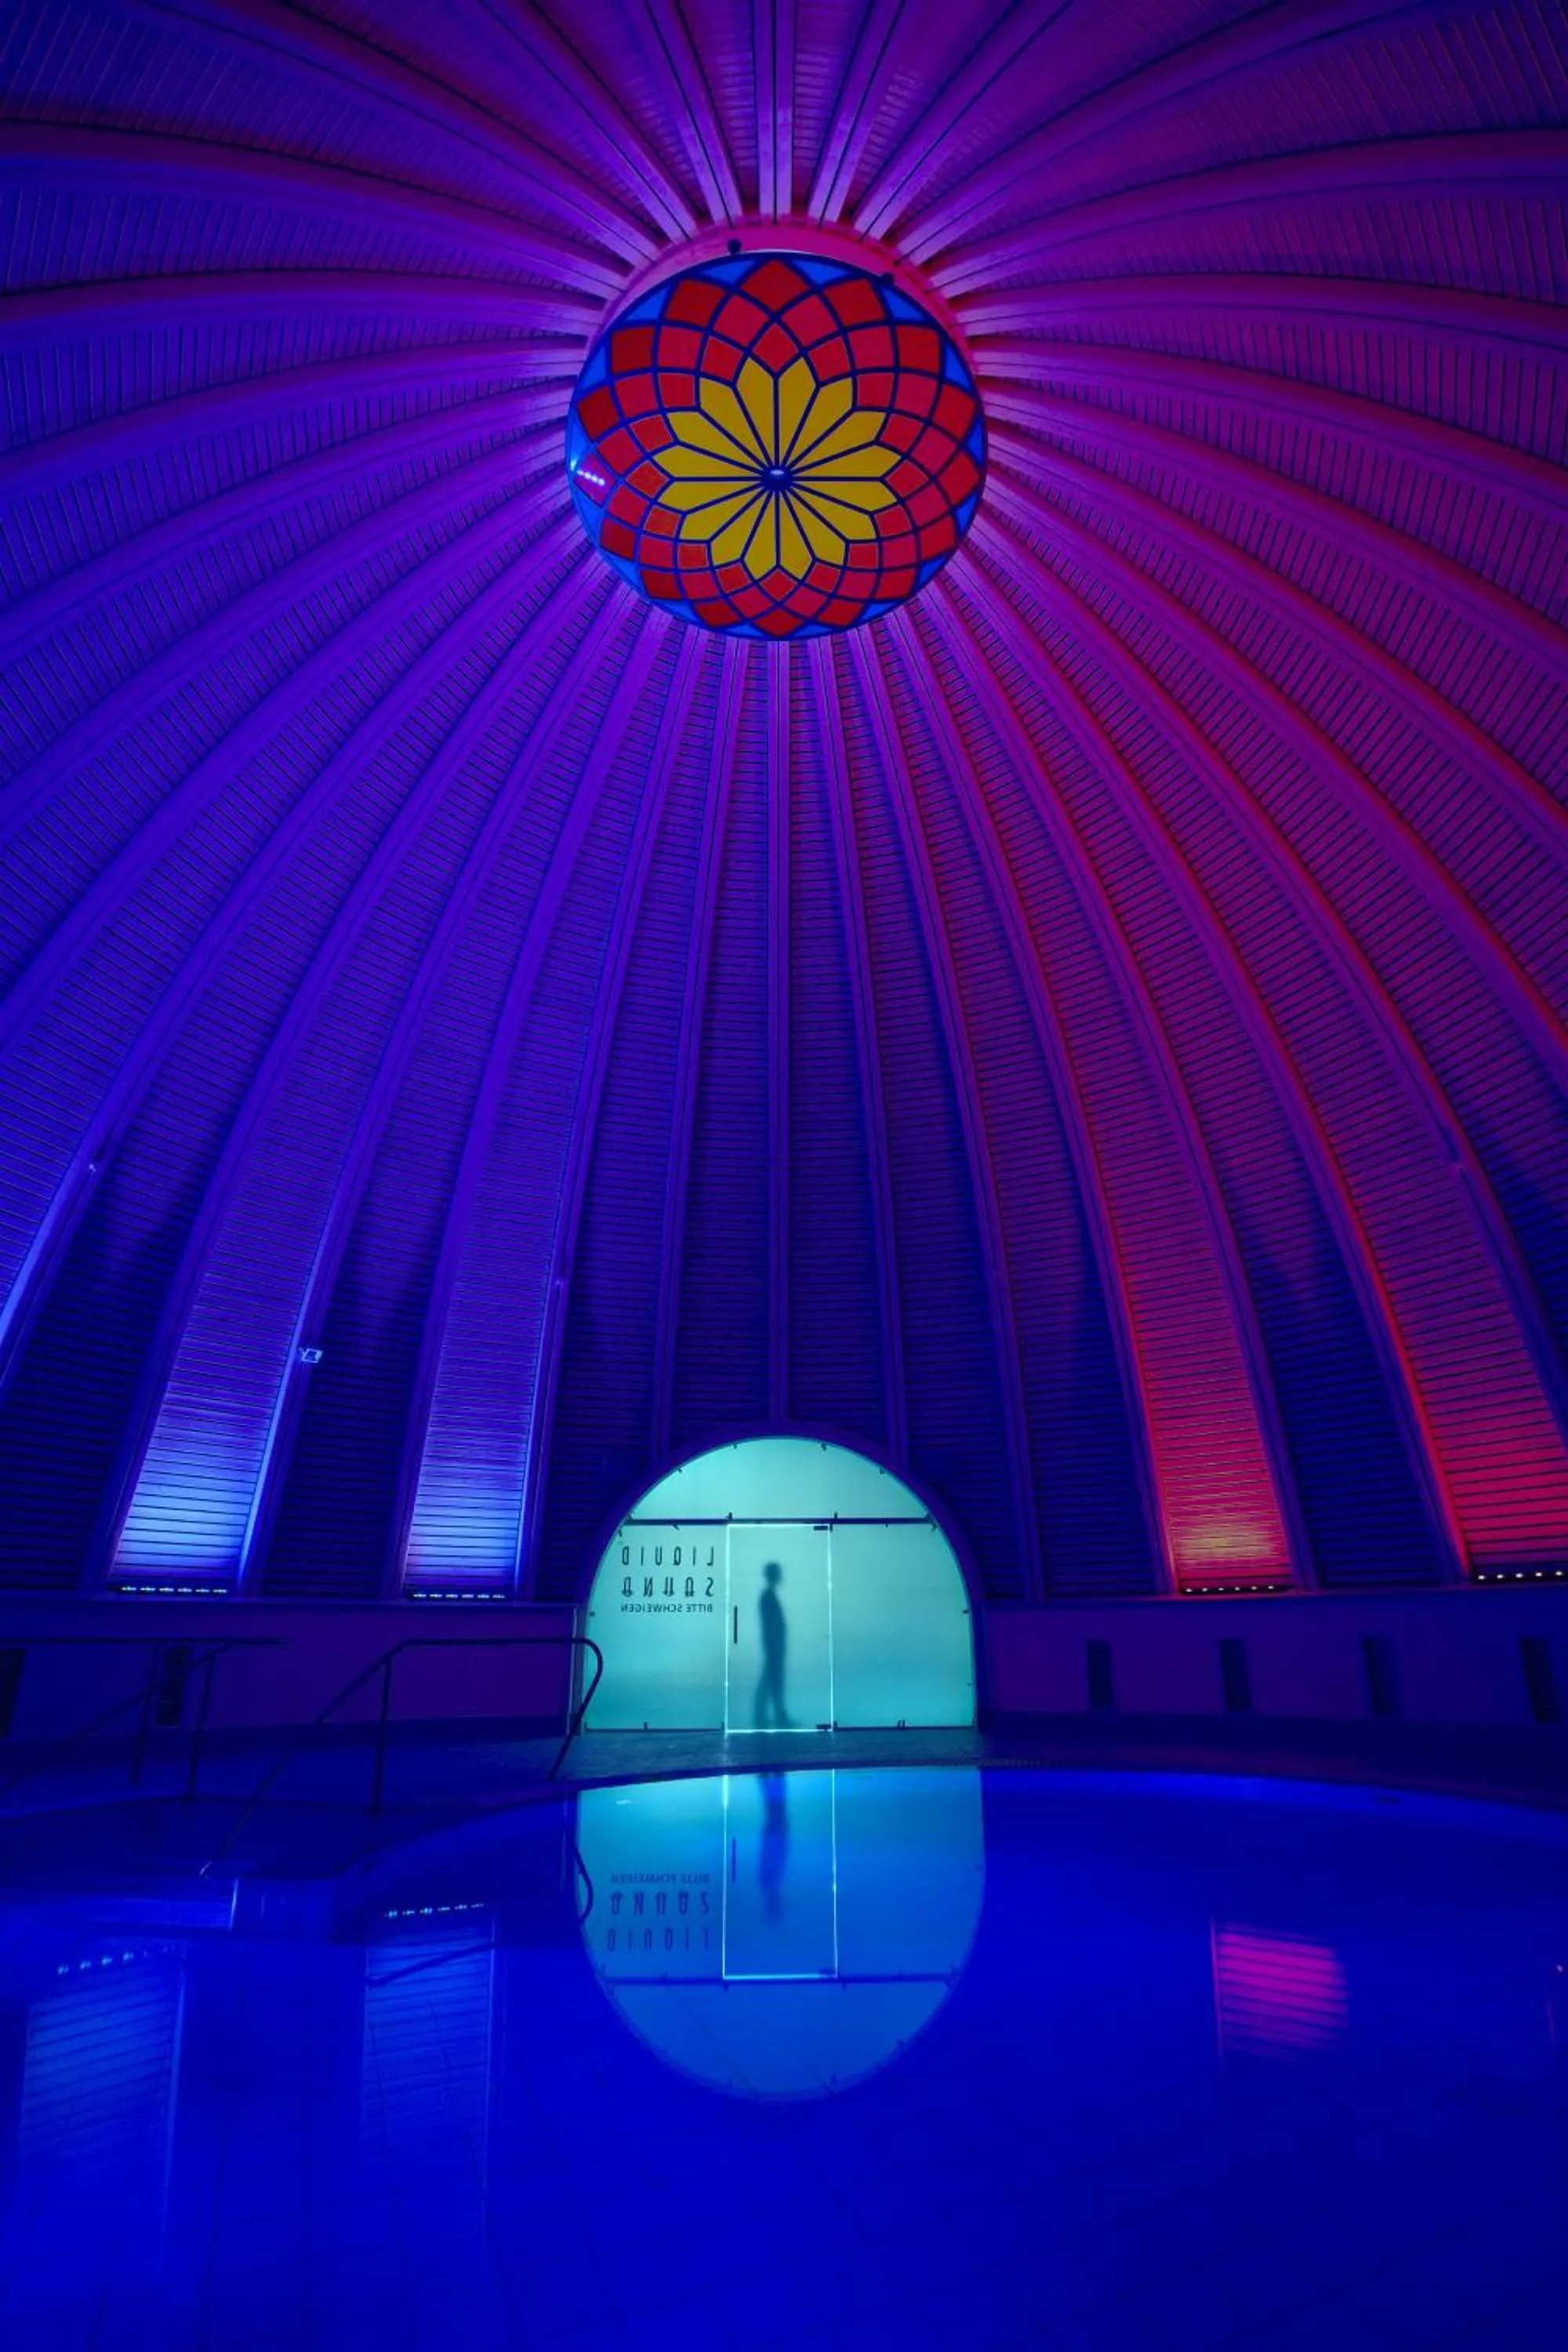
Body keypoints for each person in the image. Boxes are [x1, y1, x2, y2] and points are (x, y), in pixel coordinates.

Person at [754, 1559, 791, 1729]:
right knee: (773, 1680)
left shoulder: (769, 1595)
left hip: (774, 1645)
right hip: (773, 1646)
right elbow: (771, 1624)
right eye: (778, 1573)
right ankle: (772, 1717)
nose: (781, 1576)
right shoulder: (768, 1596)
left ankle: (768, 1716)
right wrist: (776, 1645)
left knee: (772, 1680)